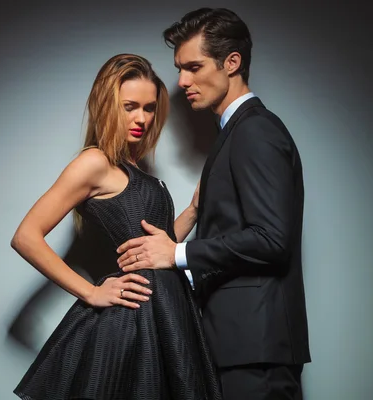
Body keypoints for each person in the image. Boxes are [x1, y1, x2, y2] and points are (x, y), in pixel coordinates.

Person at [116, 8, 311, 400]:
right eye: (179, 68)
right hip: (239, 346)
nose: (182, 81)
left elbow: (272, 240)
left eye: (193, 66)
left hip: (256, 351)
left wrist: (177, 254)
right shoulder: (236, 134)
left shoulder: (254, 131)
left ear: (232, 62)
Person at [11, 53, 222, 399]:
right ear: (107, 105)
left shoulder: (135, 166)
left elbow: (156, 250)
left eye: (149, 108)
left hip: (168, 315)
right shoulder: (94, 163)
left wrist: (195, 209)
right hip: (133, 324)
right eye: (130, 106)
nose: (142, 118)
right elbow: (26, 237)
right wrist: (92, 292)